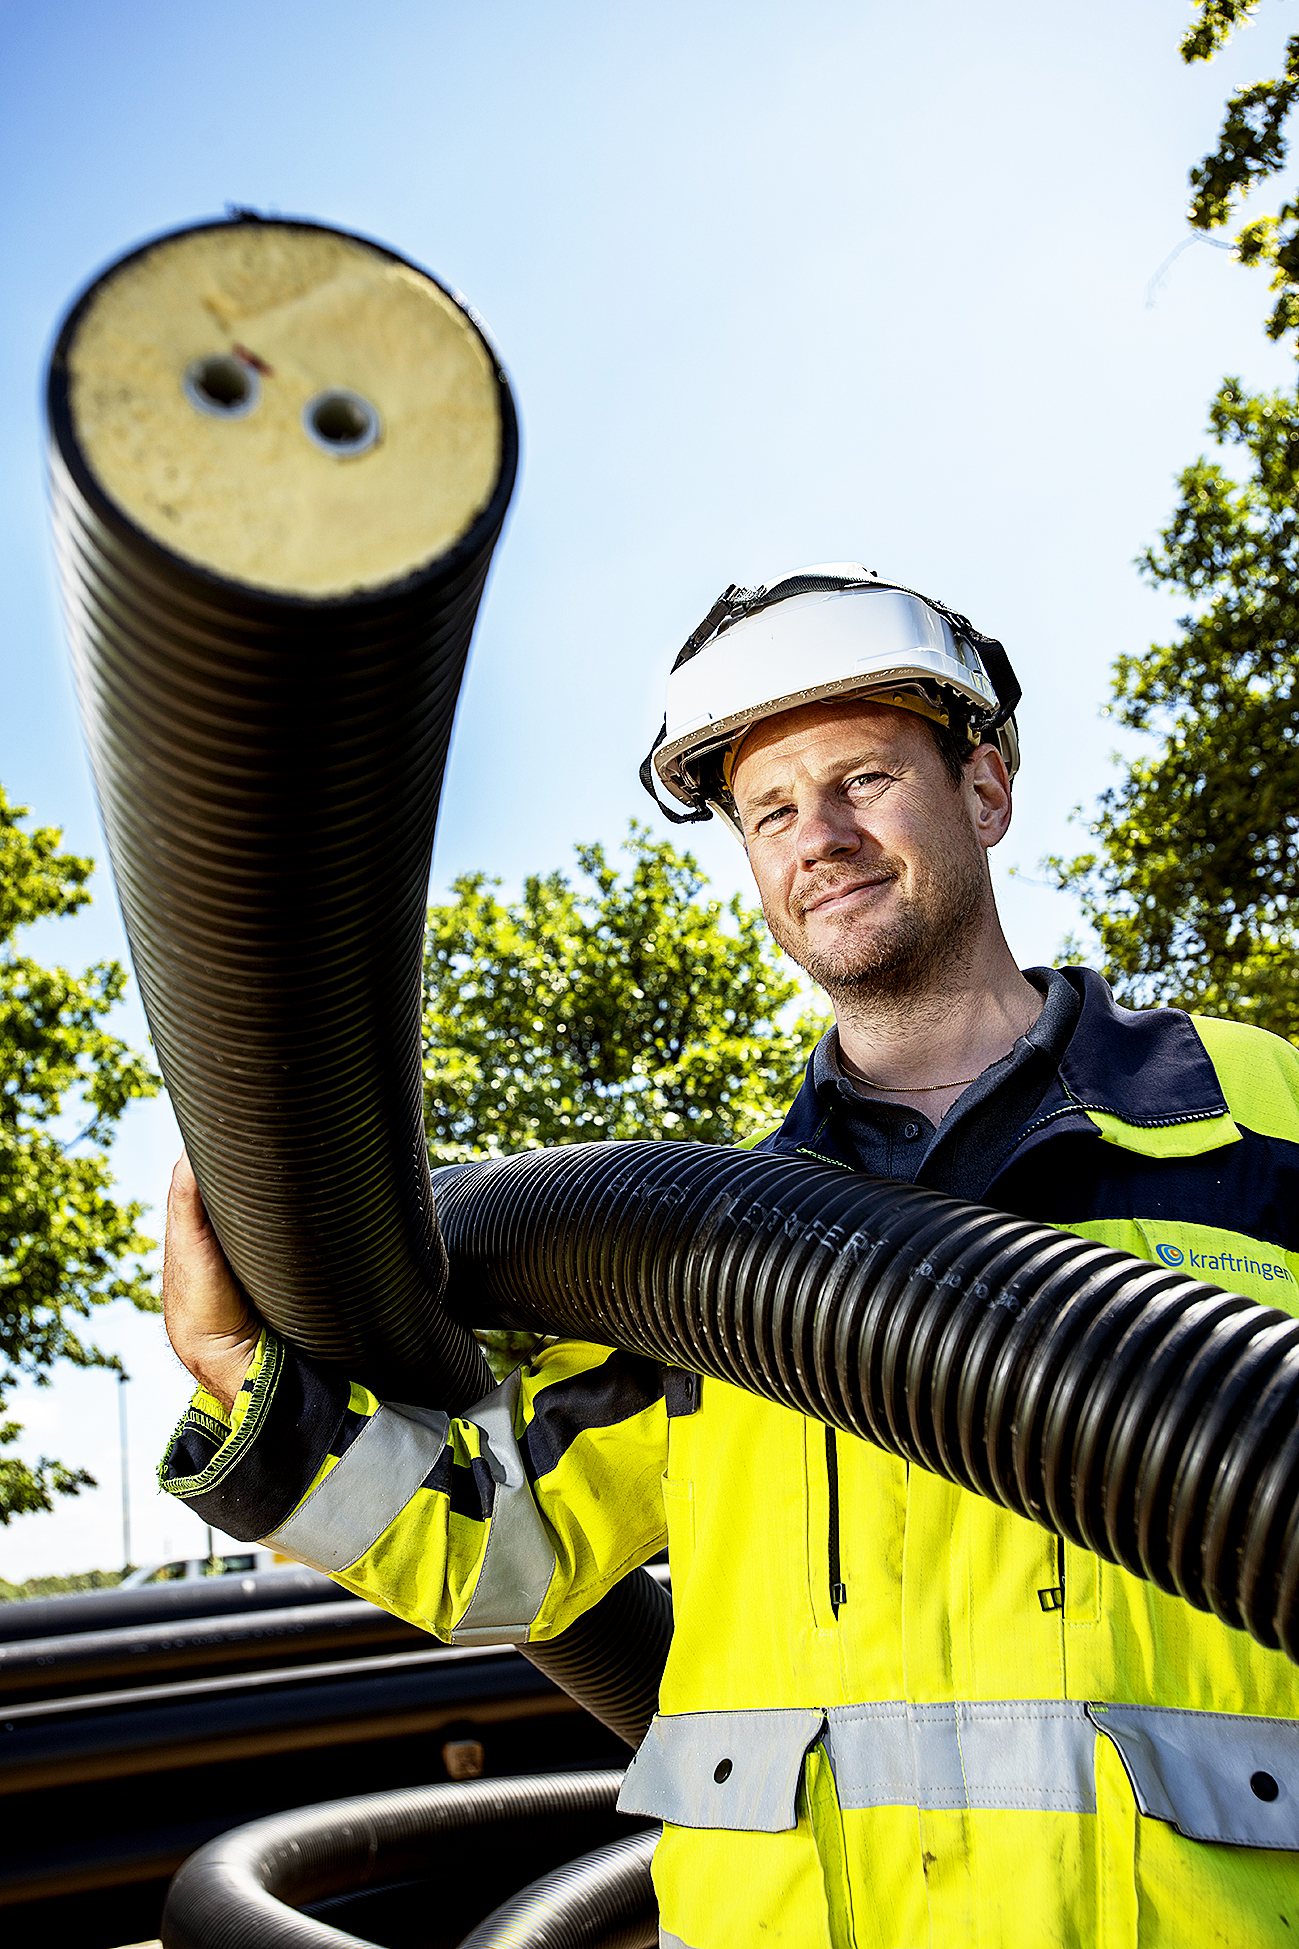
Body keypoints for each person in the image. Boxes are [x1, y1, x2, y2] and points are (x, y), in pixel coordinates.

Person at [161, 565, 1299, 1947]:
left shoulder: (1265, 1127)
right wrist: (247, 1386)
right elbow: (505, 1552)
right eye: (770, 808)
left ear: (986, 788)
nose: (817, 834)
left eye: (864, 775)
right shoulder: (690, 1259)